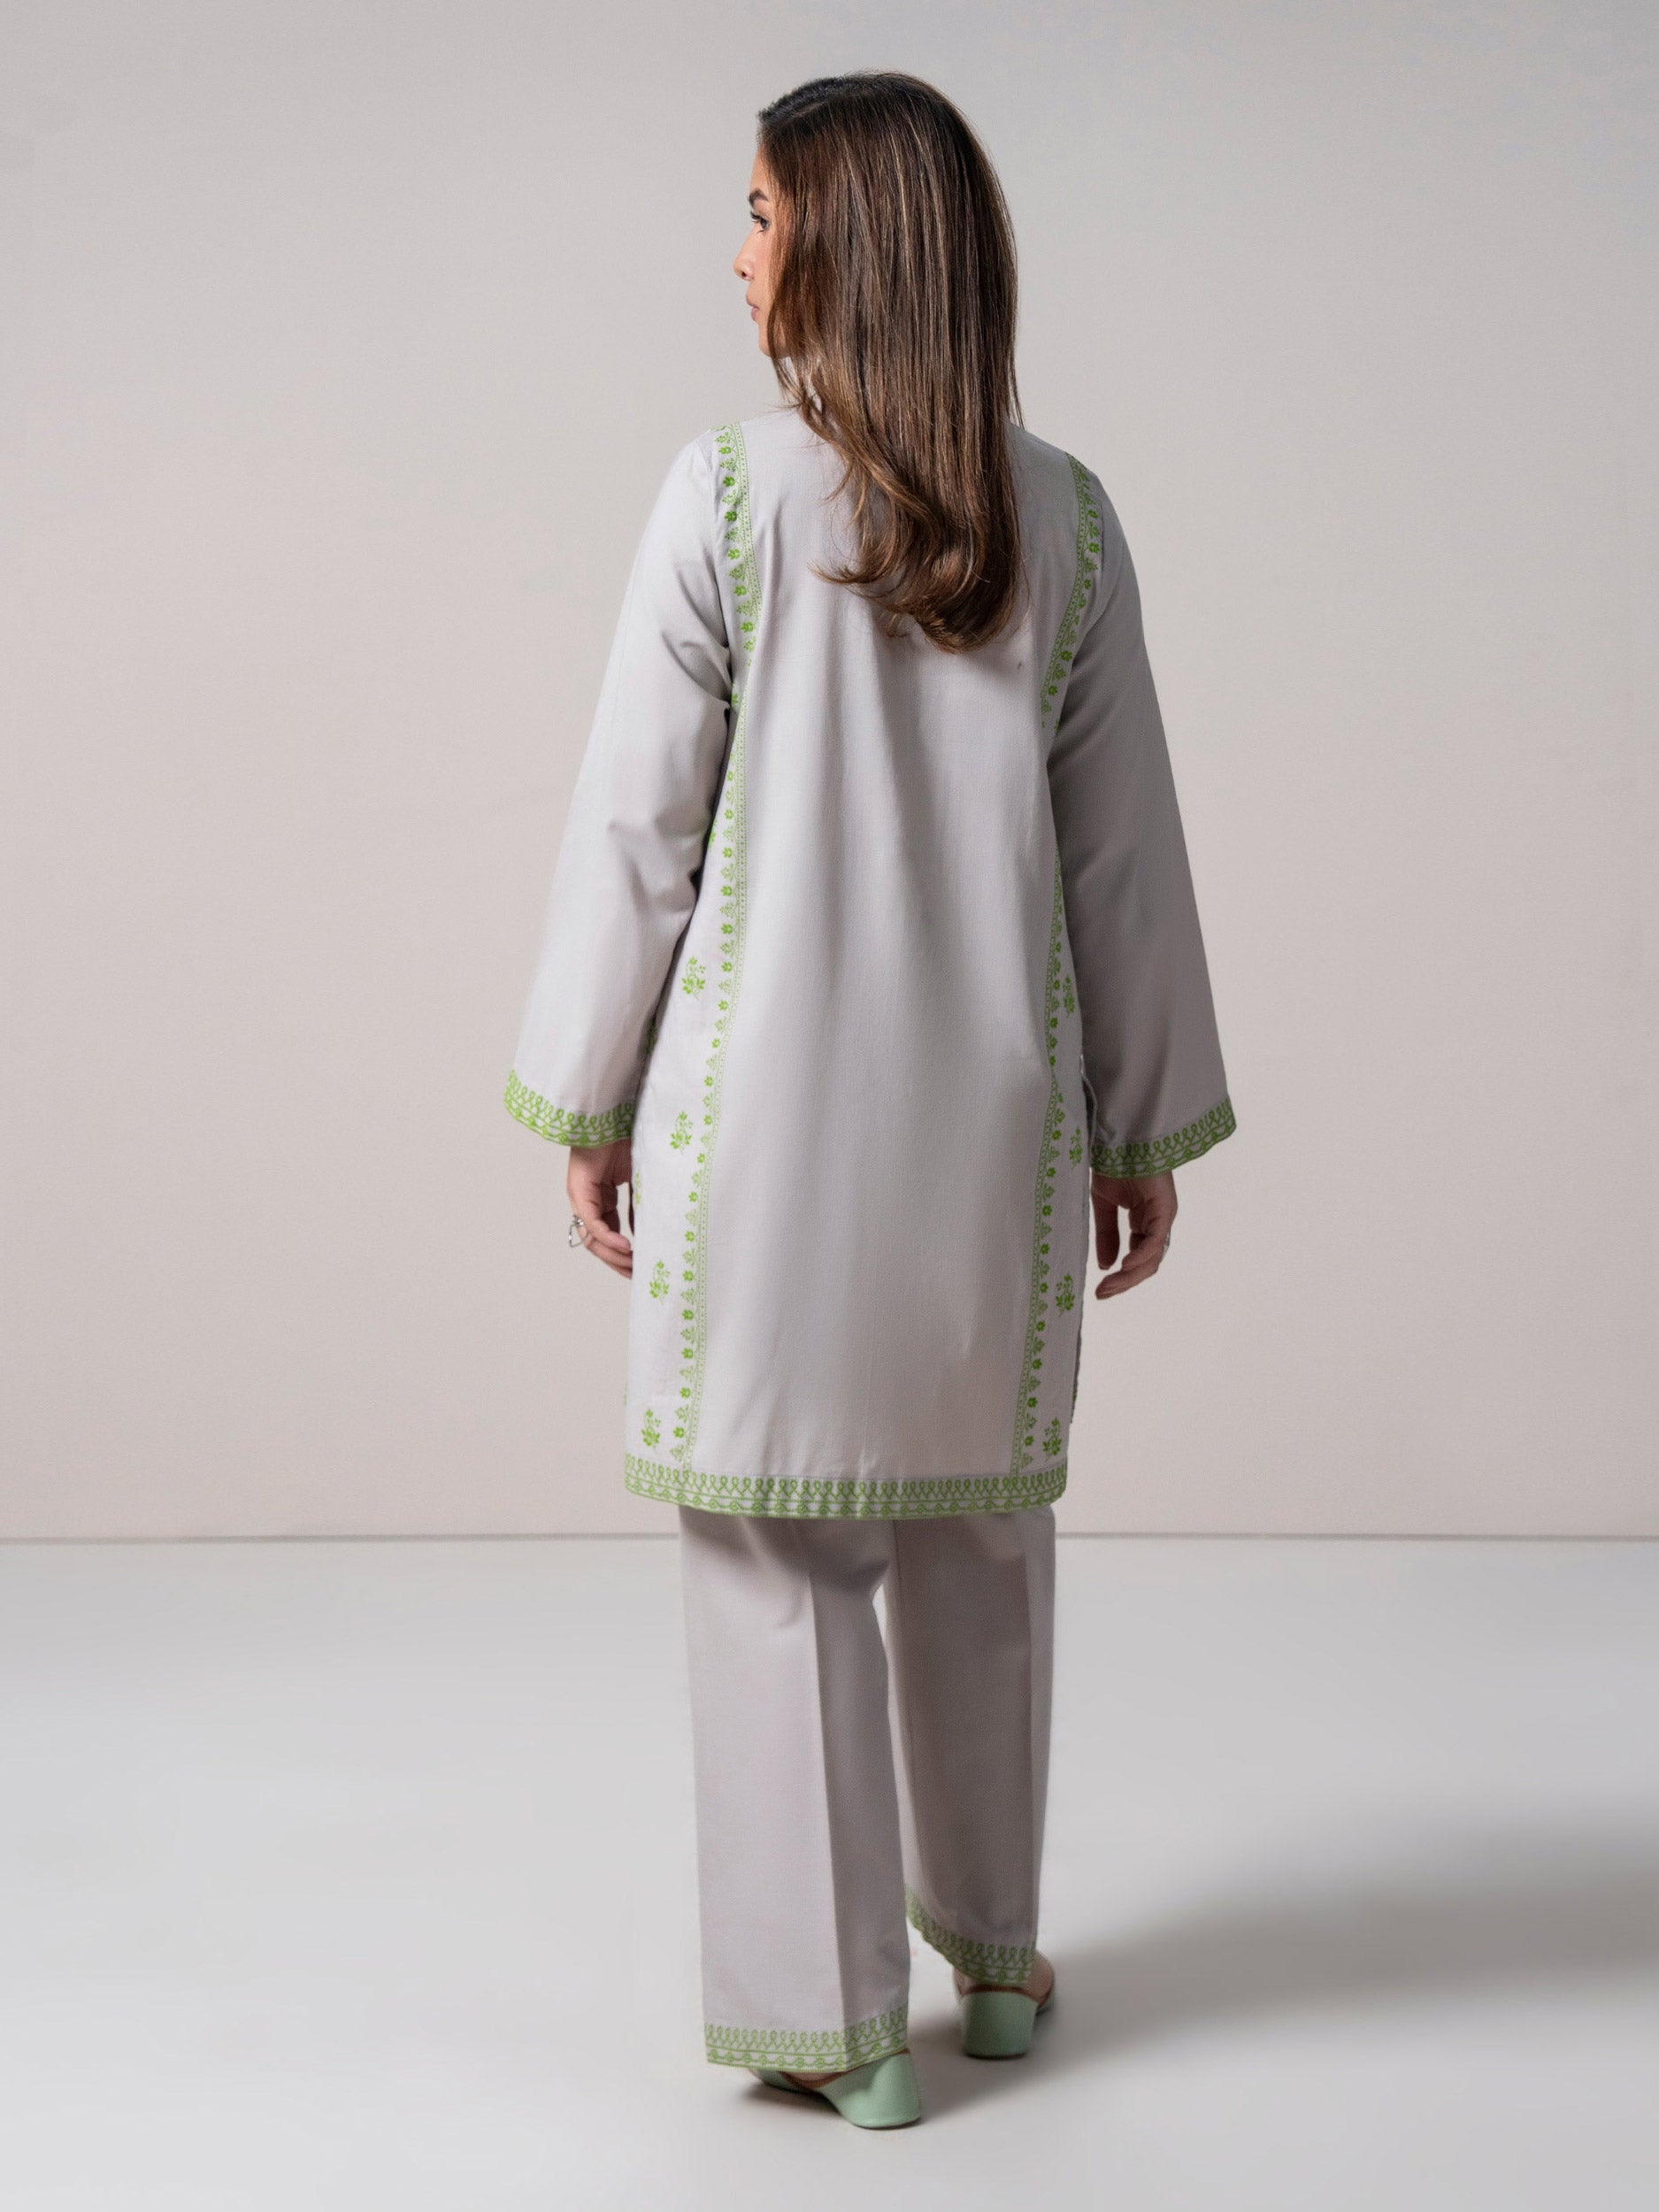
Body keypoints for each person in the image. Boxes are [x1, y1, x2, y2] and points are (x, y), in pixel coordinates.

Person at [505, 71, 1233, 2130]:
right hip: (987, 1149)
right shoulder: (1061, 515)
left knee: (778, 1554)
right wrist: (1135, 1125)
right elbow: (1123, 857)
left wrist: (587, 1089)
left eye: (755, 213)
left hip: (763, 1141)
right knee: (980, 1528)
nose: (731, 253)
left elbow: (637, 830)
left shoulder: (723, 496)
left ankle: (836, 2029)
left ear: (832, 247)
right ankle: (991, 1962)